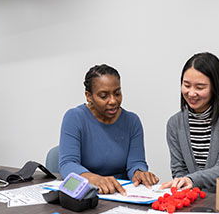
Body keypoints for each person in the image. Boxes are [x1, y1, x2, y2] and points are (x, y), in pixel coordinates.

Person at [161, 52, 219, 197]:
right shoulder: (174, 123)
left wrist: (191, 179)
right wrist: (183, 183)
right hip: (195, 200)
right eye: (186, 85)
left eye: (200, 87)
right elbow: (179, 170)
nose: (191, 93)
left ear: (215, 87)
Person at [59, 64, 159, 195]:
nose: (113, 101)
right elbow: (67, 164)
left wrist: (139, 173)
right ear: (89, 96)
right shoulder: (75, 117)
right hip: (88, 192)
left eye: (117, 93)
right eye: (103, 96)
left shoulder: (132, 121)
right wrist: (95, 179)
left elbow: (136, 162)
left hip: (121, 194)